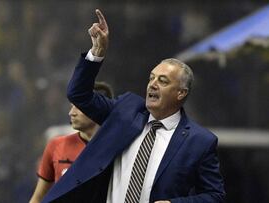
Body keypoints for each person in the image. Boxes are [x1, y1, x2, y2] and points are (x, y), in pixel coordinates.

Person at [43, 9, 225, 203]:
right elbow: (78, 94)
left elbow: (215, 196)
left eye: (163, 81)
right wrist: (96, 54)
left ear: (181, 93)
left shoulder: (200, 141)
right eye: (151, 78)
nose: (153, 84)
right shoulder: (125, 110)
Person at [29, 82, 113, 203]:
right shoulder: (56, 145)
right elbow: (38, 197)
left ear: (98, 108)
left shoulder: (117, 148)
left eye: (78, 107)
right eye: (71, 106)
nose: (71, 113)